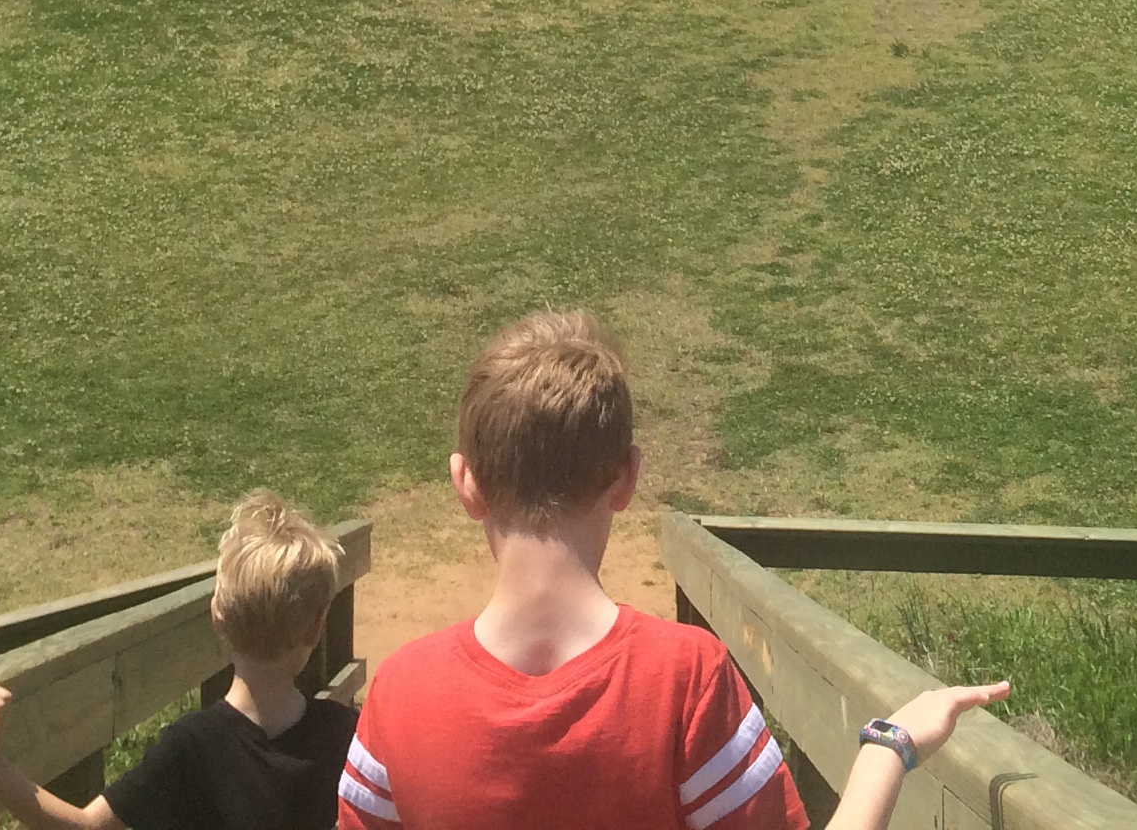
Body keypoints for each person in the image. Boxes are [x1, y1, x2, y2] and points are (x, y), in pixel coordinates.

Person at [337, 312, 1004, 830]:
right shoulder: (686, 680)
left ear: (465, 483)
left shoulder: (398, 696)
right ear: (627, 477)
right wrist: (890, 745)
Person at [0, 493, 356, 830]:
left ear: (216, 615)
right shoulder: (347, 735)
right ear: (317, 626)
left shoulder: (191, 745)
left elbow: (86, 826)